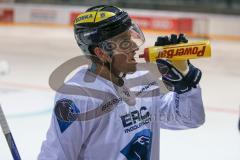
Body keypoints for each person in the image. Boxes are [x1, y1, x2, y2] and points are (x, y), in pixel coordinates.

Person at [38, 5, 205, 160]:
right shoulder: (78, 96)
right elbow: (56, 155)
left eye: (132, 37)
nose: (134, 46)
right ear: (101, 52)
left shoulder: (142, 80)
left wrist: (185, 87)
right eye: (125, 42)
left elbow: (188, 119)